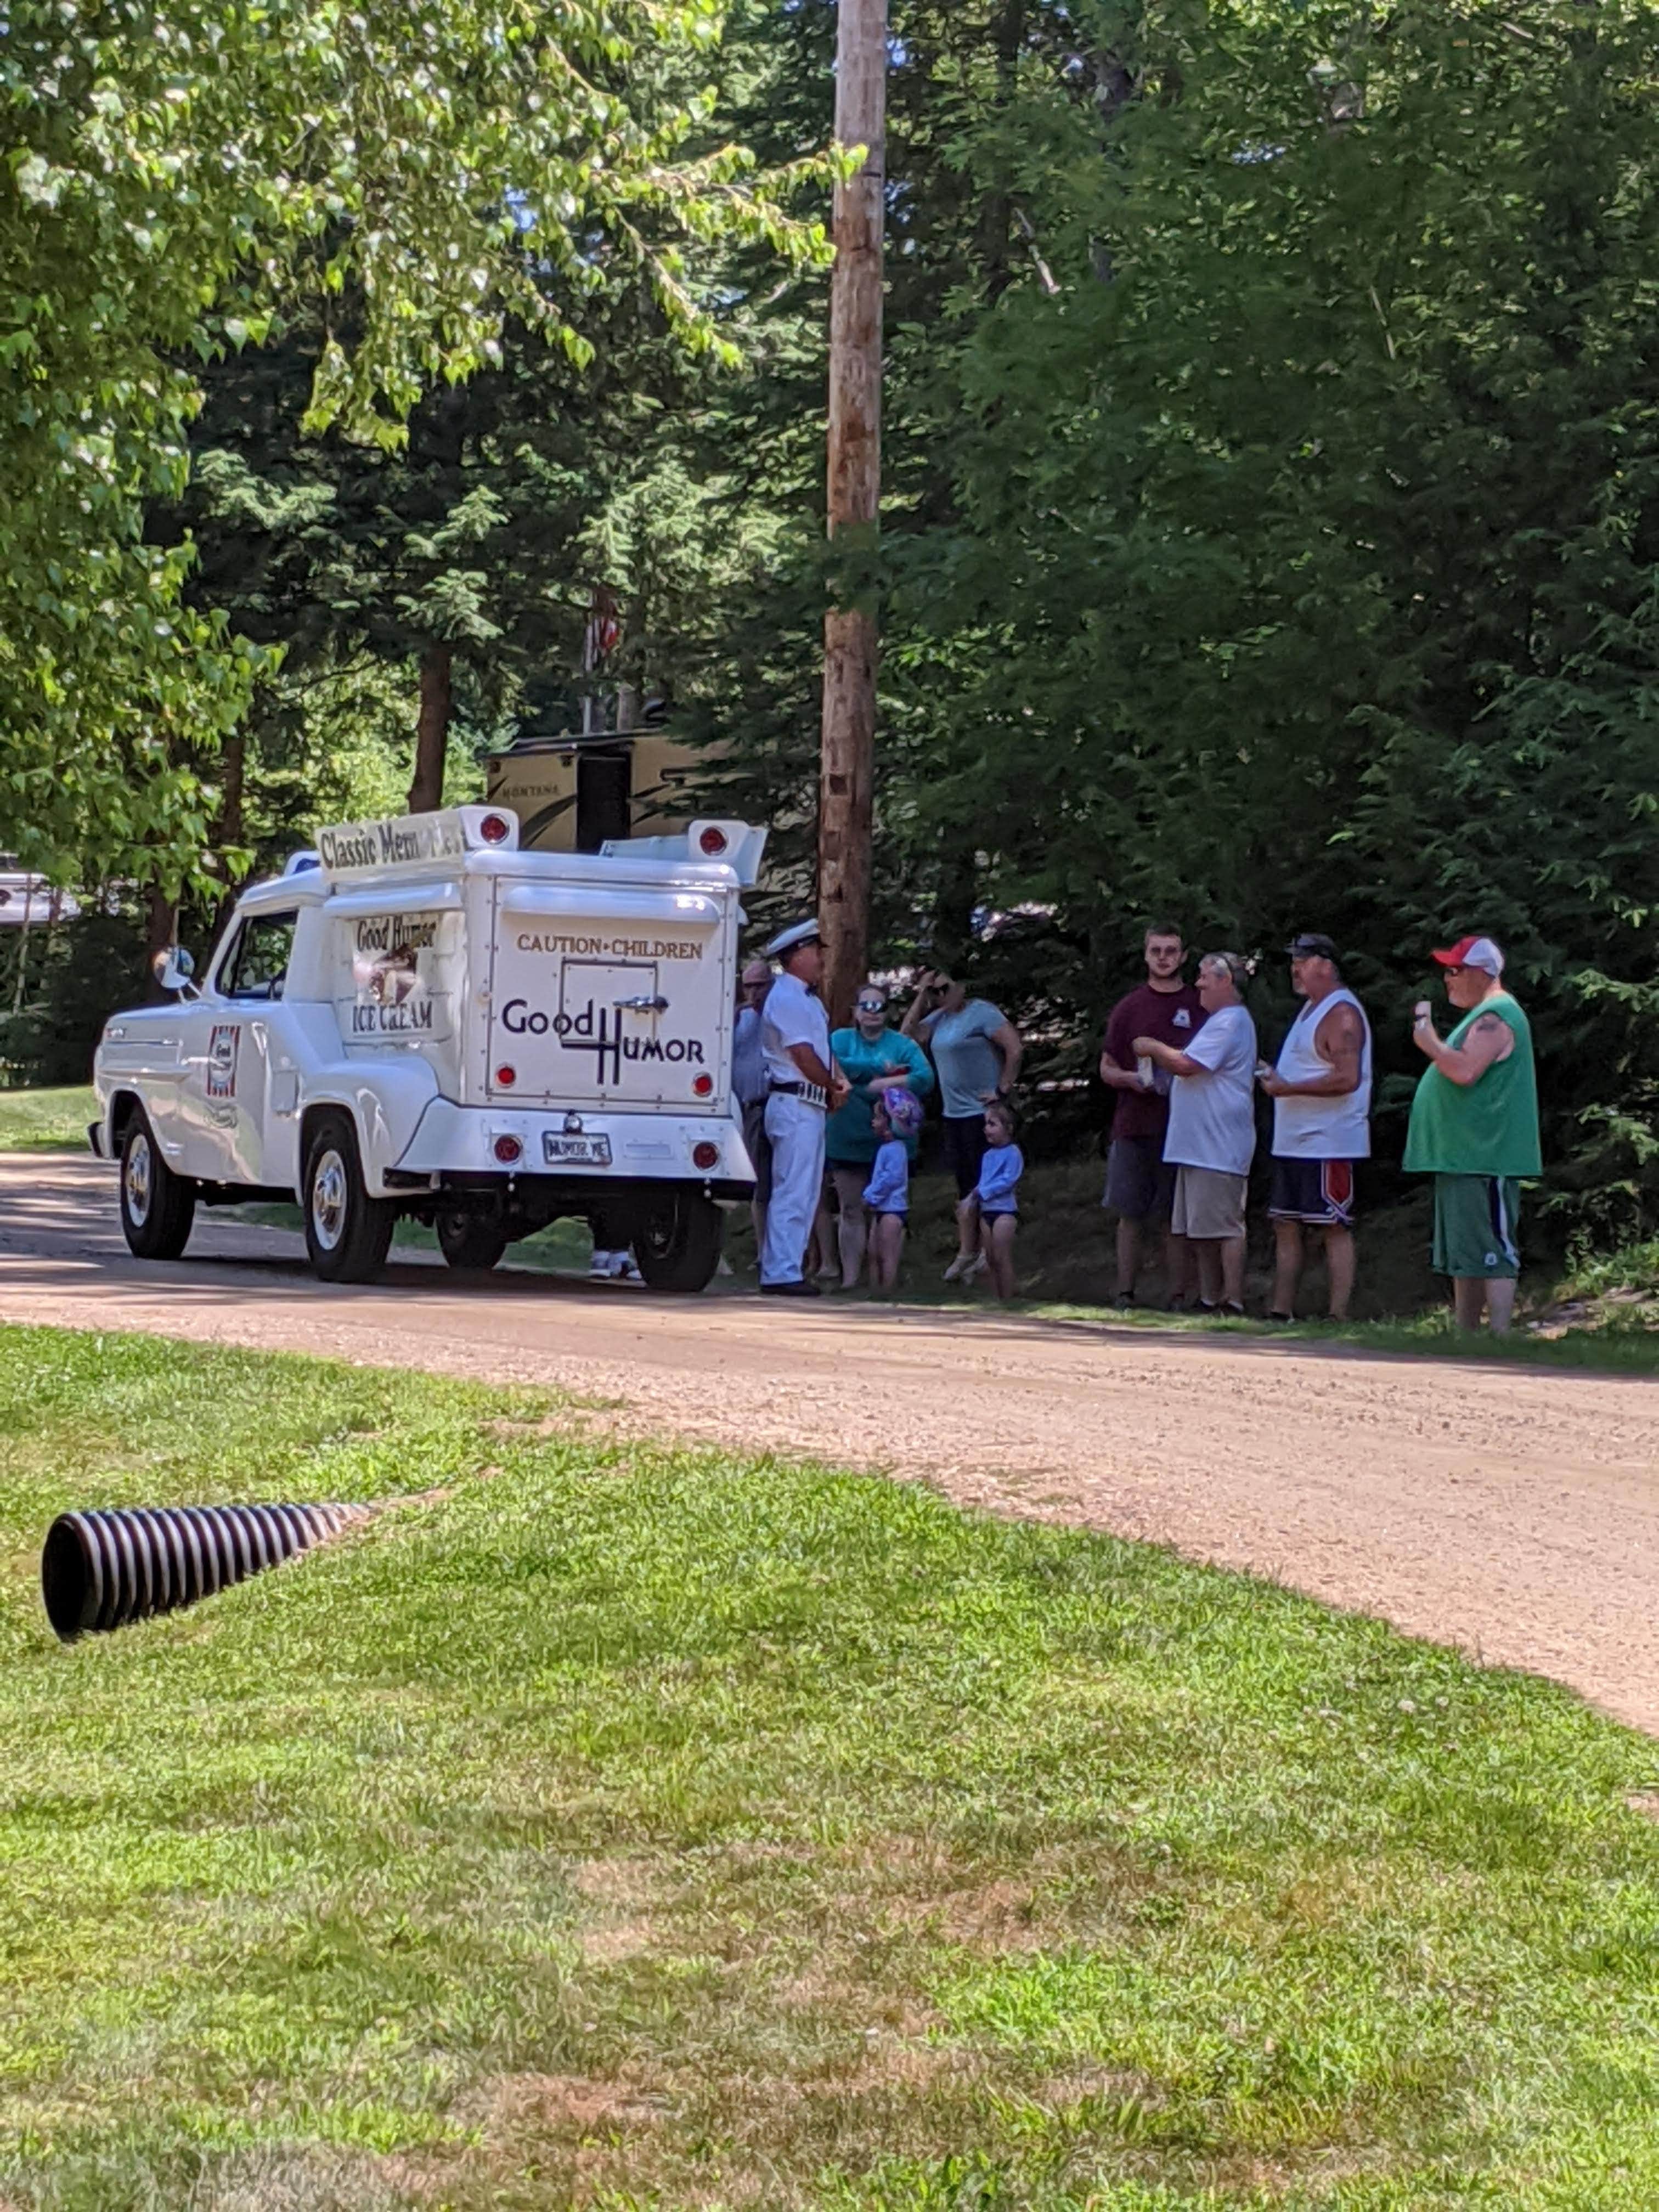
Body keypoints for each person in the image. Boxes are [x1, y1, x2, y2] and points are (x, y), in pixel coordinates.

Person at [1403, 933, 1541, 1335]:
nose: (1448, 979)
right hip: (1463, 1156)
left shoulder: (1498, 1016)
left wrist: (1428, 1040)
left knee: (1494, 1249)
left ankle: (1499, 1336)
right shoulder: (1483, 1015)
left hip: (1486, 1156)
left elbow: (1464, 1070)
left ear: (1483, 973)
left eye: (1455, 970)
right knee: (1467, 1255)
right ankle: (1467, 1337)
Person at [1257, 932, 1372, 1321]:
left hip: (1329, 1140)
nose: (1295, 970)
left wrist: (1288, 1087)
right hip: (1293, 1140)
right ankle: (1281, 1310)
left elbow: (1347, 1077)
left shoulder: (1342, 1014)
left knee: (1333, 1225)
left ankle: (1338, 1315)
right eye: (1294, 962)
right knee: (1285, 1223)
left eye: (1302, 962)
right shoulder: (1310, 1008)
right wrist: (1277, 1078)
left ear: (1326, 966)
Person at [1136, 952, 1257, 1316]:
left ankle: (1232, 1300)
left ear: (1226, 981)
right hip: (1198, 1146)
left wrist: (1151, 1046)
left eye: (1205, 976)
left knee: (1226, 1227)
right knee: (1199, 1230)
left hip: (1217, 1145)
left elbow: (1187, 1064)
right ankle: (1208, 1298)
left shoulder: (1231, 1021)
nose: (1198, 983)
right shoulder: (1220, 1022)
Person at [1098, 921, 1205, 1307]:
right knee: (1130, 1213)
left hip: (1185, 1127)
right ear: (1145, 955)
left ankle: (1178, 1297)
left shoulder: (1200, 1005)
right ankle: (1125, 1294)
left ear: (1183, 956)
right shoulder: (1129, 1007)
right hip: (1134, 1124)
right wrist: (1131, 1080)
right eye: (1156, 950)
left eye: (1171, 951)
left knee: (1175, 1217)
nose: (1163, 958)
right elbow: (1106, 1067)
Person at [901, 967, 1023, 1281]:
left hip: (981, 1112)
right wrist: (921, 995)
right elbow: (907, 1036)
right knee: (964, 1183)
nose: (941, 996)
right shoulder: (939, 1019)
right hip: (953, 1113)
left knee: (985, 1181)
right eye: (936, 992)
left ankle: (988, 1252)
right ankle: (967, 1251)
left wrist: (1002, 1090)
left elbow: (1015, 1048)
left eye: (945, 988)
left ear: (961, 987)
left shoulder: (982, 1013)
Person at [822, 983, 935, 1289]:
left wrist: (882, 1084)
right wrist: (878, 1069)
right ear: (855, 1011)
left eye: (880, 1006)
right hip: (846, 1138)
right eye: (867, 1006)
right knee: (850, 1208)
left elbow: (925, 1078)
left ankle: (885, 1281)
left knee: (889, 1212)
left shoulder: (902, 1044)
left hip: (893, 1142)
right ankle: (850, 1280)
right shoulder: (840, 1039)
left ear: (888, 1011)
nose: (873, 1012)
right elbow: (833, 1065)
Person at [758, 919, 849, 1296]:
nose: (820, 959)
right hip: (794, 1100)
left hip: (807, 1102)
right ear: (796, 956)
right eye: (814, 951)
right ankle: (780, 1271)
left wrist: (836, 1081)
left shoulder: (806, 999)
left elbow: (821, 1051)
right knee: (793, 1188)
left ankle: (787, 1267)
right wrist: (830, 1086)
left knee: (805, 1190)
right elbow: (803, 1054)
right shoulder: (788, 998)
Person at [959, 1097, 1023, 1300]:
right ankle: (997, 1298)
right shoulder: (987, 1156)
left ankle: (1009, 1296)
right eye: (986, 1124)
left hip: (1005, 1212)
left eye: (992, 1124)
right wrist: (972, 1198)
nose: (986, 1129)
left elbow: (1008, 1180)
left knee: (1002, 1256)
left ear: (1008, 1128)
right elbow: (984, 1181)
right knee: (991, 1259)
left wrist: (983, 1192)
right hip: (987, 1211)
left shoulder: (1013, 1153)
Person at [732, 956, 774, 1263]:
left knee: (786, 1181)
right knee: (758, 1184)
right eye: (749, 987)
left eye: (760, 986)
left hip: (777, 1103)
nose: (754, 993)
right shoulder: (739, 1019)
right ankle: (763, 1252)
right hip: (749, 1108)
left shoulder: (780, 1016)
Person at [862, 1086, 924, 1292]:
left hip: (892, 1210)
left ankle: (888, 1289)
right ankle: (874, 1290)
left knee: (887, 1255)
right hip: (881, 1208)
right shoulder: (885, 1149)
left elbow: (892, 1178)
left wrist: (871, 1195)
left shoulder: (897, 1150)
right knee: (873, 1252)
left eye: (877, 1118)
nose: (873, 1122)